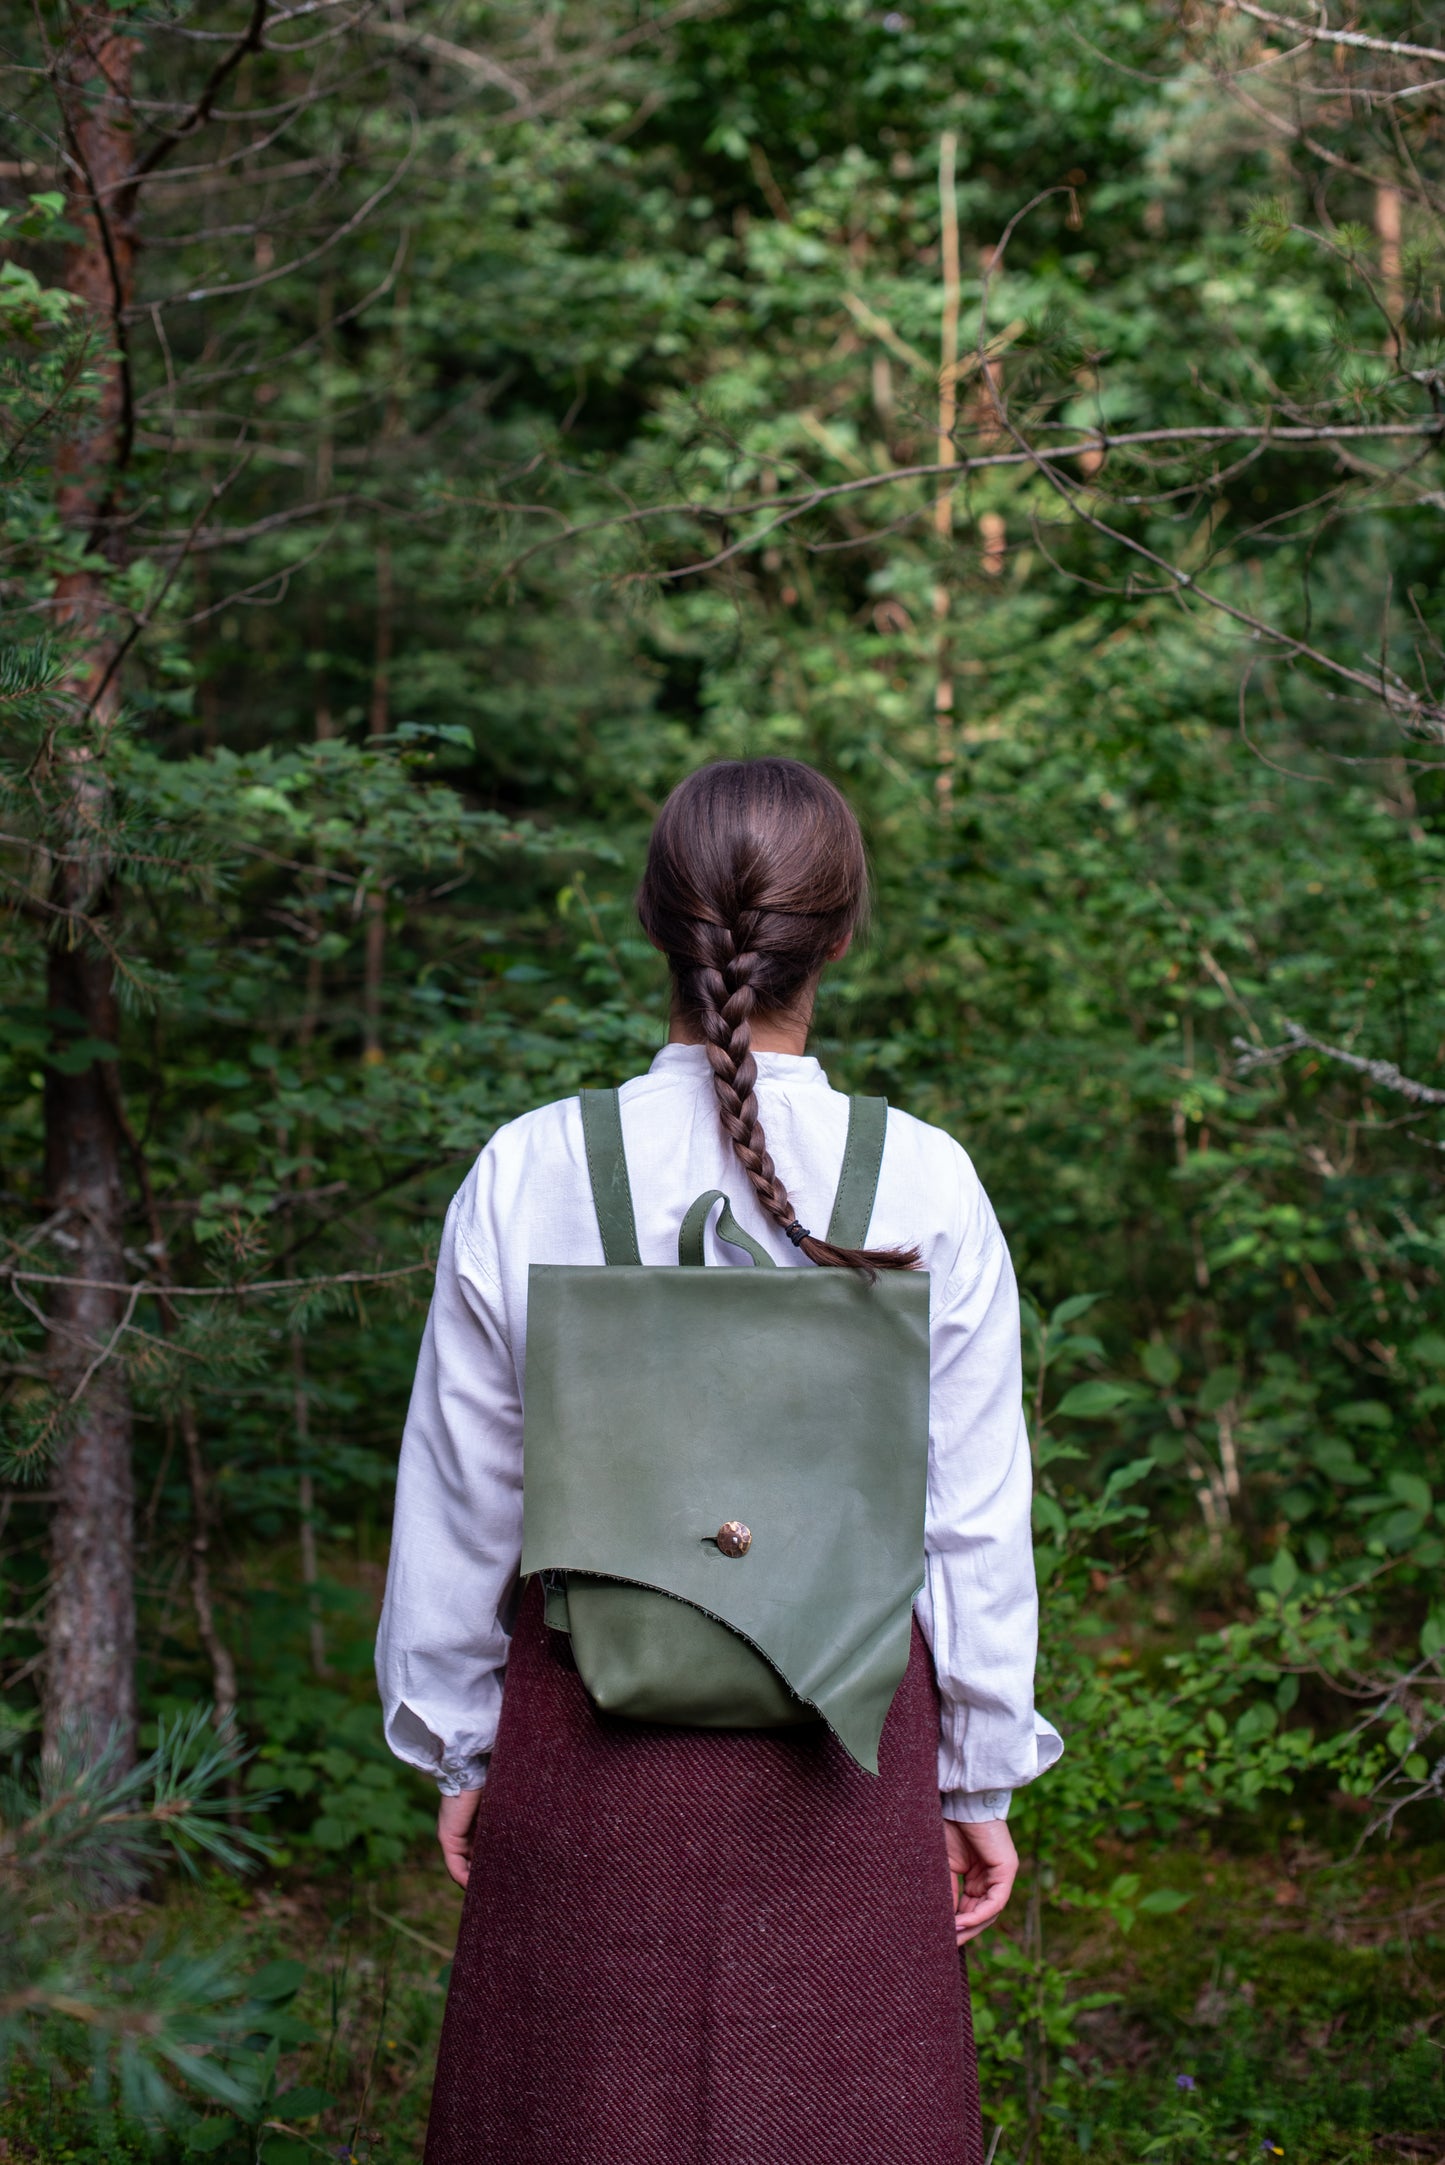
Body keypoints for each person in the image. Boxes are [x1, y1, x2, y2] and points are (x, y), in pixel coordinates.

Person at [376, 756, 1061, 2165]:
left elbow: (462, 1492)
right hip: (848, 1743)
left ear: (653, 924)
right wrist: (976, 1774)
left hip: (582, 1737)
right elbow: (971, 1517)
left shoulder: (529, 1166)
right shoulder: (925, 1179)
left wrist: (457, 1738)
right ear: (843, 935)